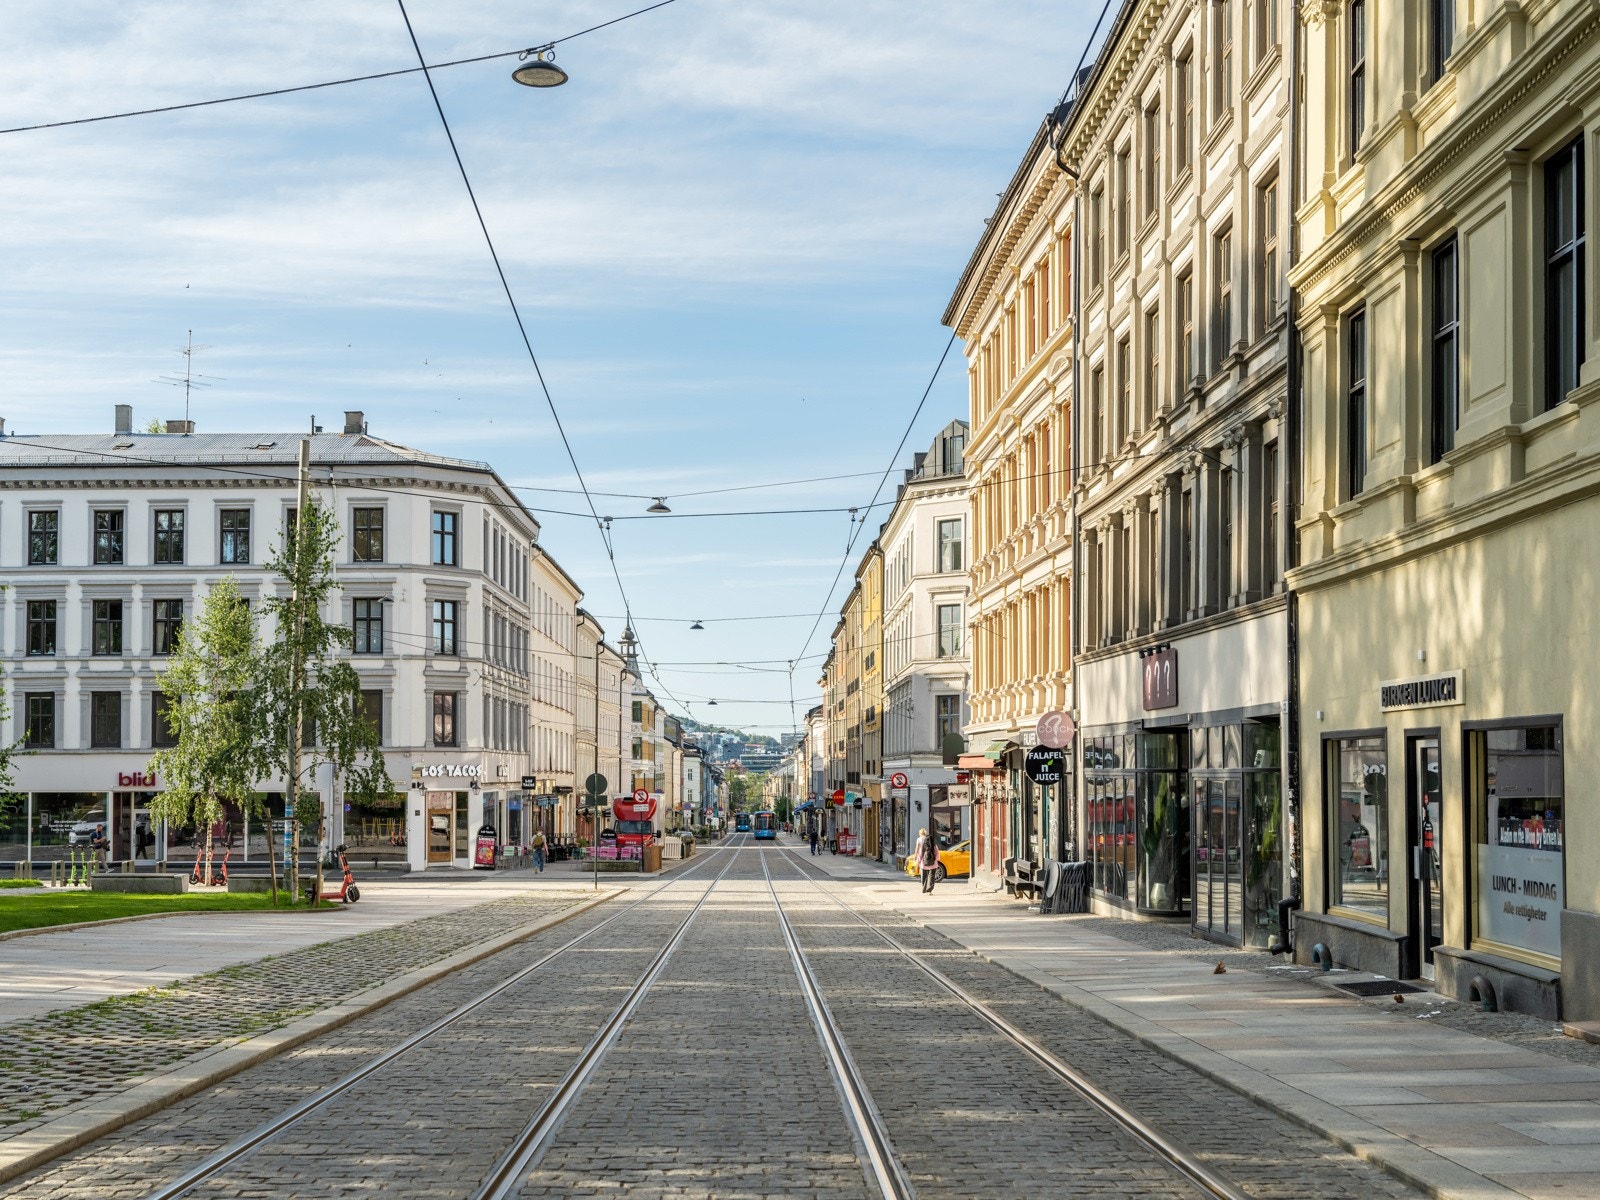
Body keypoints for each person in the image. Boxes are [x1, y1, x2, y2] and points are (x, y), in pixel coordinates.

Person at [915, 829, 940, 894]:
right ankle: (930, 890)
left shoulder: (924, 847)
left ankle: (924, 888)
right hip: (933, 864)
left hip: (924, 864)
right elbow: (937, 855)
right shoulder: (934, 846)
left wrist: (918, 861)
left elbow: (920, 854)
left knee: (924, 876)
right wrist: (936, 860)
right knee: (931, 876)